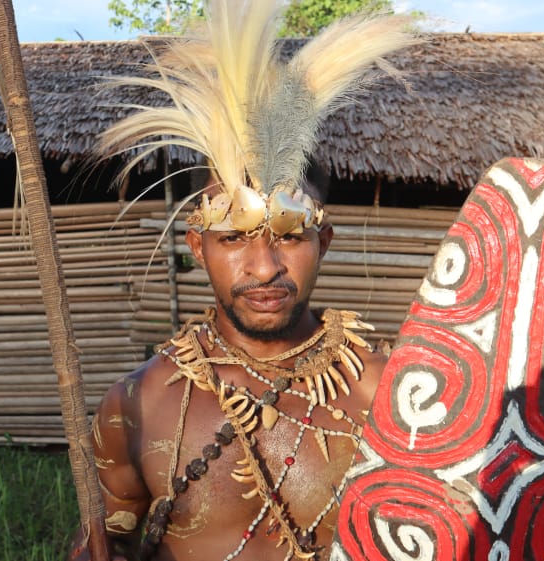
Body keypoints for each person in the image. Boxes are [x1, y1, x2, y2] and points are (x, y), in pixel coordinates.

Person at [71, 0, 415, 558]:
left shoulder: (388, 395)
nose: (263, 267)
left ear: (322, 242)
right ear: (197, 246)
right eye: (232, 238)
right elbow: (107, 535)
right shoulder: (136, 403)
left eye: (289, 236)